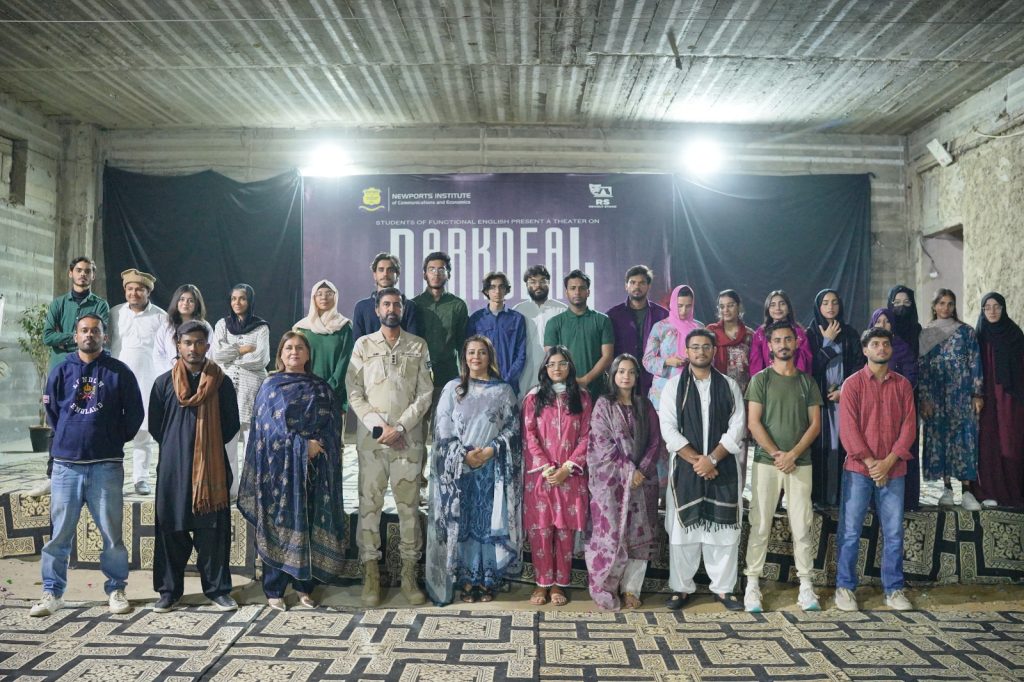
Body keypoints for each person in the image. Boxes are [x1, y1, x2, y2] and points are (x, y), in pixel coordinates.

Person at [30, 313, 143, 617]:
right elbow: (52, 412)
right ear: (75, 336)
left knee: (112, 536)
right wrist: (68, 435)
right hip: (67, 467)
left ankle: (116, 588)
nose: (89, 335)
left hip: (106, 465)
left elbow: (134, 413)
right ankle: (52, 592)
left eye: (95, 331)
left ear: (104, 336)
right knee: (59, 536)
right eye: (84, 330)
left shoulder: (119, 371)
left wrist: (112, 438)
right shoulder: (61, 370)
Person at [237, 331, 347, 610]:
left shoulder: (321, 388)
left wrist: (317, 447)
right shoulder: (270, 387)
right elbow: (267, 431)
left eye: (299, 347)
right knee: (279, 523)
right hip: (278, 471)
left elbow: (333, 426)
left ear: (308, 354)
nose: (294, 352)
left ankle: (303, 587)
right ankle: (274, 589)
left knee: (308, 522)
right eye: (288, 348)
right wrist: (301, 446)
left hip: (315, 469)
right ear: (281, 354)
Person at [345, 287, 433, 606]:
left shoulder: (418, 346)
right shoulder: (363, 345)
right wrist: (380, 427)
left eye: (396, 304)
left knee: (409, 508)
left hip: (408, 441)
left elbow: (425, 393)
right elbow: (354, 391)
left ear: (403, 309)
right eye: (386, 304)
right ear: (377, 310)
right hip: (373, 441)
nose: (391, 309)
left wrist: (401, 427)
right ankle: (371, 573)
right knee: (370, 506)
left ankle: (409, 574)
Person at [148, 320, 240, 612]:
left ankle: (218, 590)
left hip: (211, 472)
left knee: (213, 533)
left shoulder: (221, 382)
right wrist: (180, 446)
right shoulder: (163, 383)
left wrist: (205, 449)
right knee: (170, 531)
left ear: (207, 346)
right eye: (187, 343)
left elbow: (231, 425)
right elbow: (156, 427)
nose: (193, 348)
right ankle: (169, 591)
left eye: (199, 343)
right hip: (173, 471)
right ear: (178, 345)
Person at [425, 336, 521, 605]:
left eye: (482, 352)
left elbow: (513, 427)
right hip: (459, 470)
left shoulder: (503, 390)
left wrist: (491, 450)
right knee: (464, 522)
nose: (476, 357)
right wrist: (463, 455)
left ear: (490, 357)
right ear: (464, 357)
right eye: (471, 352)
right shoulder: (452, 388)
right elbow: (442, 426)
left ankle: (487, 578)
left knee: (487, 523)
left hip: (492, 468)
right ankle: (466, 579)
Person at [659, 330, 747, 612]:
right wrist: (700, 461)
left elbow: (737, 427)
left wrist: (713, 459)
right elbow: (668, 429)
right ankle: (681, 588)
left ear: (713, 350)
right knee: (682, 531)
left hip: (723, 467)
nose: (700, 351)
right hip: (686, 469)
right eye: (695, 347)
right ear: (686, 352)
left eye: (706, 346)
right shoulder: (674, 387)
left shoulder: (729, 385)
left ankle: (723, 589)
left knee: (723, 533)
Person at [834, 328, 916, 612]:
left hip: (893, 470)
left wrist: (888, 462)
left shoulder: (903, 385)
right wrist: (871, 463)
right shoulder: (852, 384)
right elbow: (848, 429)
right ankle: (845, 587)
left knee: (894, 533)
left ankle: (893, 589)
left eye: (885, 344)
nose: (881, 348)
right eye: (875, 344)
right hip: (859, 469)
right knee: (850, 531)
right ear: (865, 350)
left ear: (891, 349)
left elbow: (909, 427)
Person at [743, 321, 823, 613]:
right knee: (760, 523)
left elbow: (815, 425)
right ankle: (752, 584)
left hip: (800, 463)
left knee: (801, 524)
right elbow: (754, 423)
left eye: (788, 339)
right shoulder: (760, 380)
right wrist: (778, 454)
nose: (783, 344)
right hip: (767, 463)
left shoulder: (807, 382)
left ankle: (806, 585)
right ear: (769, 346)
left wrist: (793, 455)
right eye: (777, 340)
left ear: (796, 342)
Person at [585, 354, 663, 610]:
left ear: (637, 376)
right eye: (621, 371)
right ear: (613, 375)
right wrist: (630, 470)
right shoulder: (603, 405)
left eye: (631, 372)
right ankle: (608, 586)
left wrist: (642, 470)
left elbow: (655, 441)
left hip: (643, 483)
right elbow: (602, 443)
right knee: (611, 534)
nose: (626, 376)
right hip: (611, 485)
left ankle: (631, 589)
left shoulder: (645, 406)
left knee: (639, 535)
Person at [32, 257, 110, 498]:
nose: (83, 274)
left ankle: (89, 475)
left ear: (93, 276)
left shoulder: (100, 305)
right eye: (79, 270)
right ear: (70, 273)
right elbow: (47, 336)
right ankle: (52, 476)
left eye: (88, 271)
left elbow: (98, 336)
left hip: (90, 372)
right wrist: (76, 337)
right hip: (62, 370)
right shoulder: (58, 304)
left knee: (89, 419)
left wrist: (68, 337)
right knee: (57, 422)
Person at [522, 346, 593, 606]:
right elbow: (529, 434)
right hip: (541, 476)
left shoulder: (582, 397)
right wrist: (546, 467)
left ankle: (559, 584)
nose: (557, 369)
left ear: (570, 367)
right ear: (544, 368)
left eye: (562, 364)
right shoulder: (533, 398)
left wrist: (568, 468)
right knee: (541, 530)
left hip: (570, 476)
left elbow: (587, 435)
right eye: (551, 364)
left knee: (564, 532)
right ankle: (541, 583)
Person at [918, 288, 983, 511]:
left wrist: (977, 393)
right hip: (936, 397)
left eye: (950, 304)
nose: (946, 308)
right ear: (934, 306)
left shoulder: (966, 332)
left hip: (962, 395)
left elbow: (975, 362)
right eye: (941, 303)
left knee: (965, 440)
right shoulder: (926, 334)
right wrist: (924, 398)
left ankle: (966, 491)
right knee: (941, 438)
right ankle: (946, 489)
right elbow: (922, 368)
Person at [110, 268, 167, 495]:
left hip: (147, 380)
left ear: (148, 292)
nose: (134, 293)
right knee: (113, 430)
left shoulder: (161, 317)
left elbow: (165, 352)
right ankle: (113, 478)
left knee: (143, 431)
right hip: (117, 380)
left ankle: (141, 478)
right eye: (130, 289)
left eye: (139, 289)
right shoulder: (115, 313)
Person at [807, 289, 864, 509]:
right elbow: (810, 368)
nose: (830, 307)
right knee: (821, 447)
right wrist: (827, 342)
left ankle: (843, 497)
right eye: (825, 303)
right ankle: (819, 497)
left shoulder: (850, 333)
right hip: (819, 400)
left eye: (834, 302)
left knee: (844, 447)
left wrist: (844, 390)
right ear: (818, 307)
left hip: (844, 399)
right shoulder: (810, 334)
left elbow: (859, 365)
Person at [211, 283, 270, 497]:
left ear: (250, 301)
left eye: (242, 298)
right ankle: (231, 488)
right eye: (234, 298)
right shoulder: (222, 324)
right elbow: (216, 355)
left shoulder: (261, 327)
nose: (237, 302)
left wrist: (232, 358)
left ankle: (250, 490)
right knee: (228, 440)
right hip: (226, 389)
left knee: (251, 441)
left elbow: (261, 359)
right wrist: (242, 349)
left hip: (252, 389)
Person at [973, 293, 1024, 508]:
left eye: (997, 307)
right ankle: (988, 491)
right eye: (987, 307)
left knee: (1011, 442)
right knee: (987, 443)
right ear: (983, 311)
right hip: (985, 398)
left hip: (1010, 398)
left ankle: (1014, 491)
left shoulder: (1015, 334)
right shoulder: (979, 335)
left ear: (1003, 309)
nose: (992, 311)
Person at [411, 252, 468, 421]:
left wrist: (465, 377)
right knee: (418, 425)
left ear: (448, 274)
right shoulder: (414, 305)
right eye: (431, 269)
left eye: (441, 270)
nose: (436, 274)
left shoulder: (457, 305)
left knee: (445, 423)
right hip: (418, 374)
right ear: (424, 274)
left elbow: (463, 344)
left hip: (448, 374)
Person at [543, 270, 614, 399]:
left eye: (582, 288)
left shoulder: (602, 320)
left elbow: (607, 356)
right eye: (573, 288)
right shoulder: (554, 323)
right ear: (566, 292)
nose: (577, 292)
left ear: (588, 292)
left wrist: (585, 380)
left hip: (598, 390)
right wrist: (570, 382)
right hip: (563, 390)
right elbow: (552, 360)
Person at [292, 279, 354, 423]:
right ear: (313, 298)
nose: (324, 297)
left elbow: (345, 360)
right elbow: (296, 361)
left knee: (333, 435)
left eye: (328, 293)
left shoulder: (344, 327)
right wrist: (309, 387)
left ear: (335, 297)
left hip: (335, 392)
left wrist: (329, 387)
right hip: (306, 391)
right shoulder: (302, 329)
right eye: (319, 294)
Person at [886, 284, 924, 510]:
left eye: (906, 303)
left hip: (911, 393)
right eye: (897, 303)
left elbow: (921, 364)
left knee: (908, 442)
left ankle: (909, 497)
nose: (901, 307)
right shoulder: (884, 331)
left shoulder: (918, 331)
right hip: (884, 396)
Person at [606, 265, 669, 396]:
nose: (637, 286)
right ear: (626, 285)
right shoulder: (613, 315)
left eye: (642, 283)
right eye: (632, 282)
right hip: (623, 379)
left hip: (654, 379)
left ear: (648, 286)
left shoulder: (662, 315)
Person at [466, 271, 527, 393]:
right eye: (492, 287)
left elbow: (521, 355)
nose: (497, 291)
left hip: (509, 385)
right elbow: (469, 353)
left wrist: (507, 380)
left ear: (506, 290)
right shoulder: (476, 319)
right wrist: (480, 378)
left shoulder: (517, 319)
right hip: (481, 385)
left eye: (501, 287)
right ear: (486, 291)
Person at [643, 284, 702, 409]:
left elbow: (710, 359)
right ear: (673, 303)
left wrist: (695, 360)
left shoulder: (699, 328)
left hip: (693, 388)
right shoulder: (660, 327)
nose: (684, 310)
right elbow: (647, 360)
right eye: (679, 306)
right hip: (664, 389)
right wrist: (667, 361)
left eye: (688, 306)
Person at [514, 265, 567, 398]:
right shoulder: (518, 311)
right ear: (526, 285)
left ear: (549, 283)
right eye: (533, 282)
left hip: (555, 371)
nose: (538, 285)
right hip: (525, 372)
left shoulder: (561, 310)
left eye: (542, 281)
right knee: (525, 404)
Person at [351, 252, 421, 339]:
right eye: (381, 270)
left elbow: (413, 341)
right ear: (374, 275)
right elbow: (357, 342)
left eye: (390, 270)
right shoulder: (362, 307)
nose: (385, 274)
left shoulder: (409, 306)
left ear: (397, 275)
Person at [748, 290, 812, 376]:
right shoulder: (761, 334)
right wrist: (761, 381)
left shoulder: (799, 333)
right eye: (772, 305)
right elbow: (756, 364)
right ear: (768, 309)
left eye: (782, 304)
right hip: (768, 381)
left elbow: (805, 361)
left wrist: (794, 379)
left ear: (788, 308)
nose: (777, 308)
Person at [154, 284, 214, 373]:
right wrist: (171, 373)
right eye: (182, 299)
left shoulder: (205, 326)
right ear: (176, 302)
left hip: (198, 374)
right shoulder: (166, 327)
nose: (185, 303)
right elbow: (158, 354)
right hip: (170, 374)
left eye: (191, 301)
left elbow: (210, 353)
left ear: (197, 304)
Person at [706, 289, 754, 394]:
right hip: (715, 390)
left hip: (744, 391)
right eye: (722, 306)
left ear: (739, 307)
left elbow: (755, 365)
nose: (726, 310)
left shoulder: (749, 335)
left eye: (730, 305)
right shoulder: (711, 332)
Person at [868, 307, 916, 385]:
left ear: (892, 324)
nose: (882, 325)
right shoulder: (867, 348)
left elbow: (910, 378)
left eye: (887, 321)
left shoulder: (903, 349)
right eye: (878, 321)